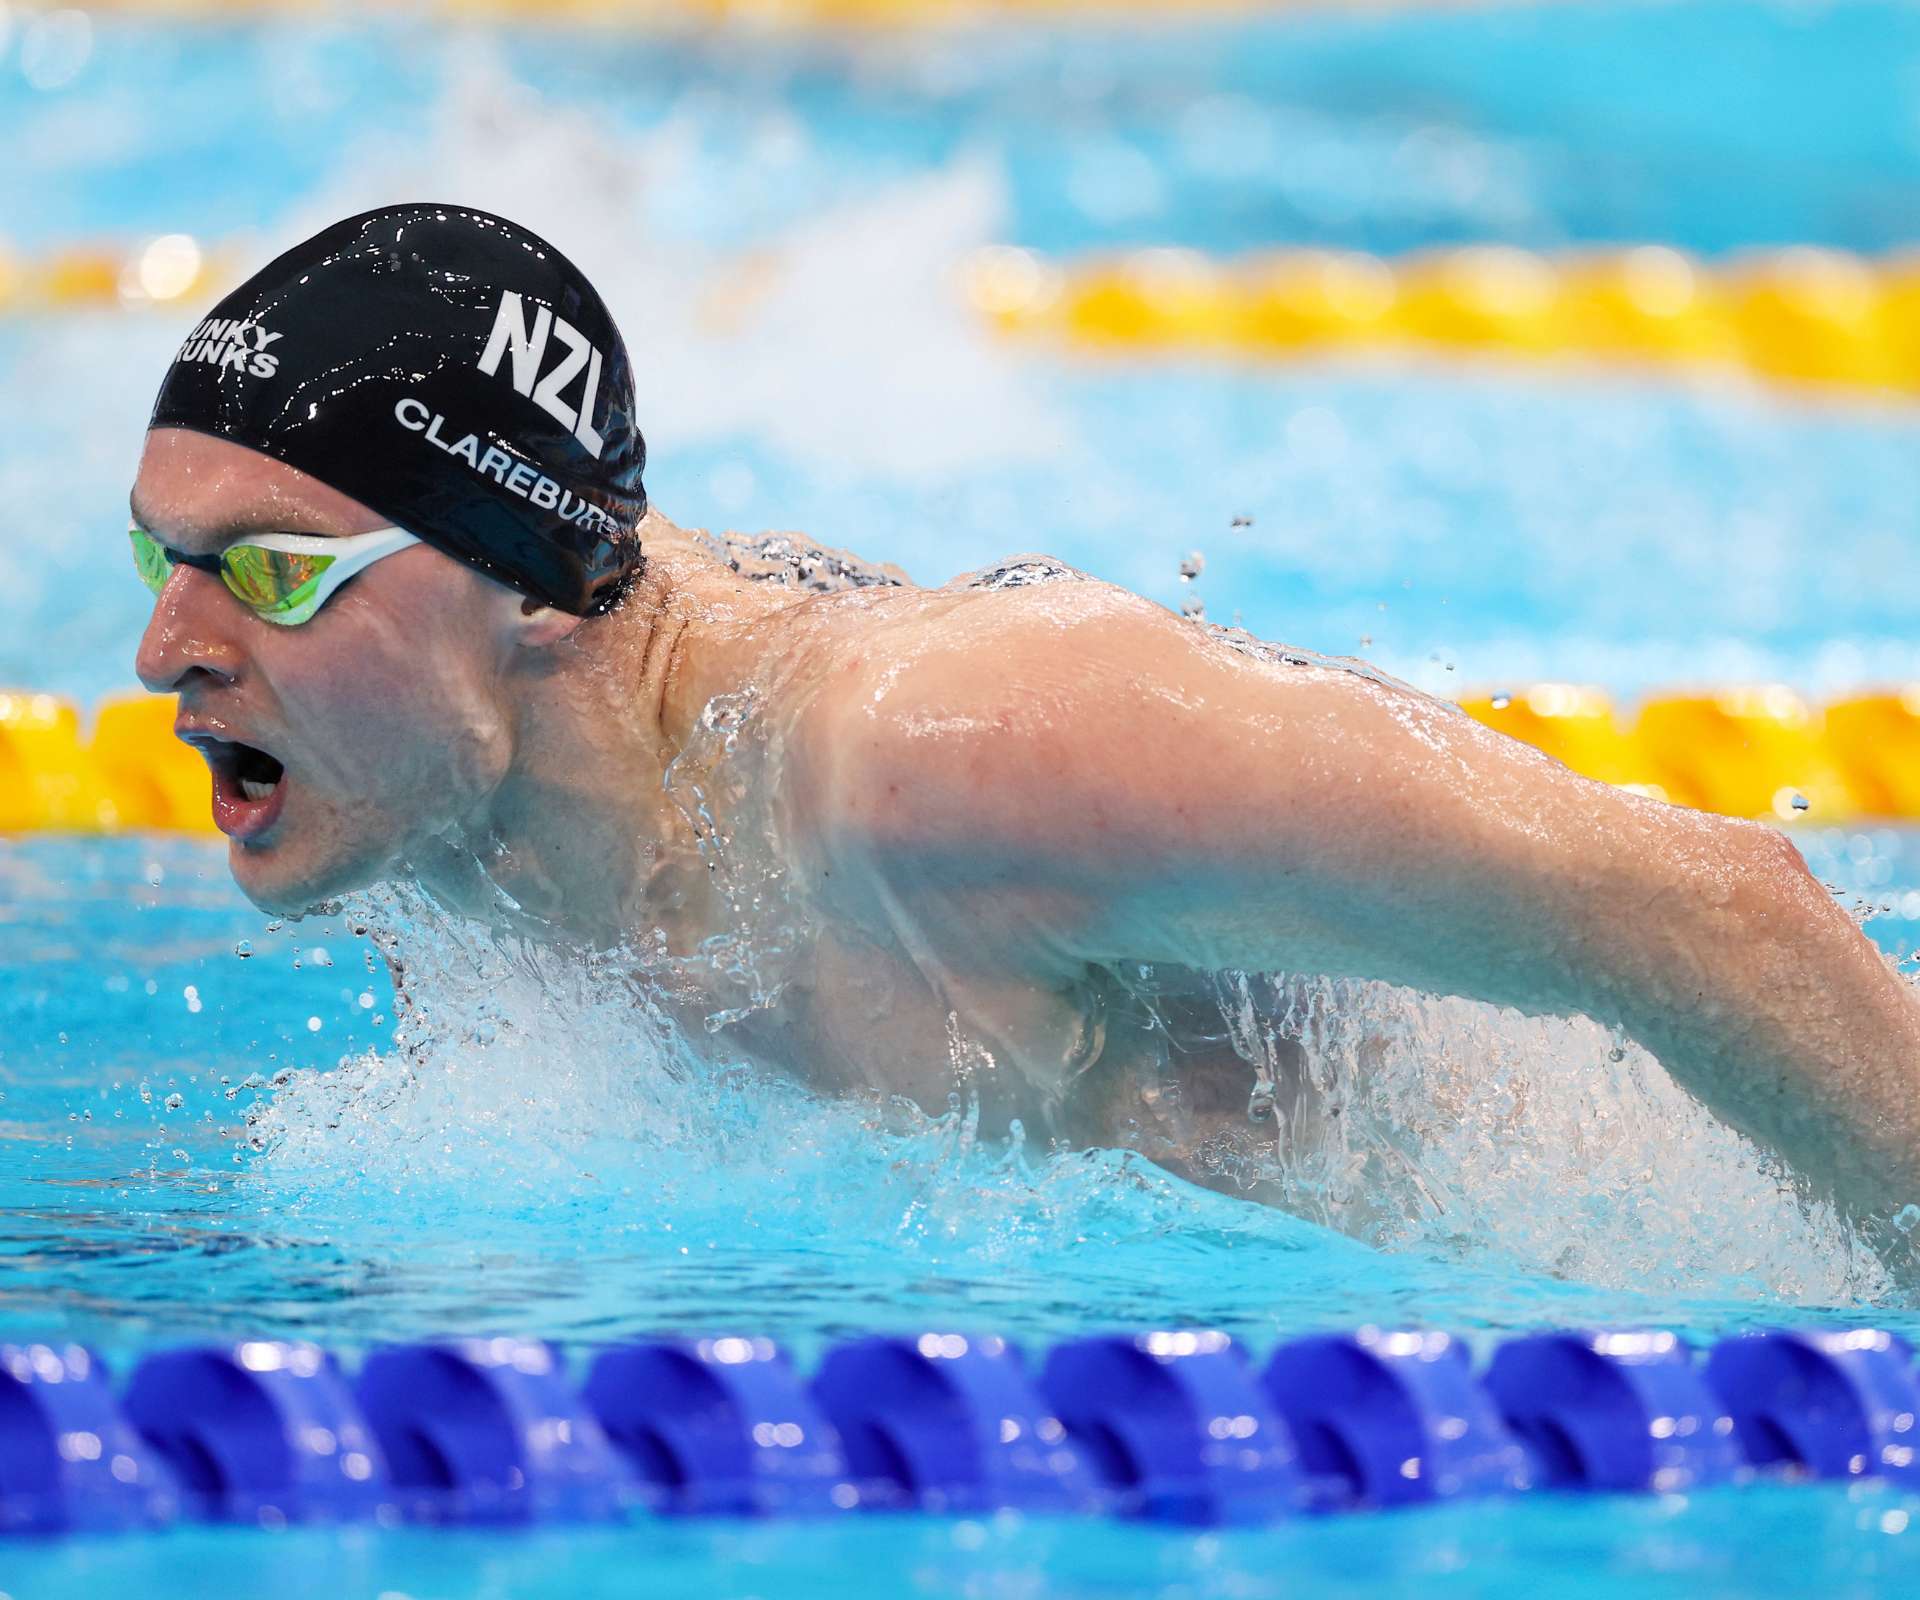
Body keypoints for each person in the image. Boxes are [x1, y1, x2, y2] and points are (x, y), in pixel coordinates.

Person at [128, 204, 1920, 1243]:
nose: (162, 650)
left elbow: (1710, 904)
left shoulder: (948, 760)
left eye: (270, 573)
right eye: (163, 556)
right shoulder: (463, 801)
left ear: (521, 583)